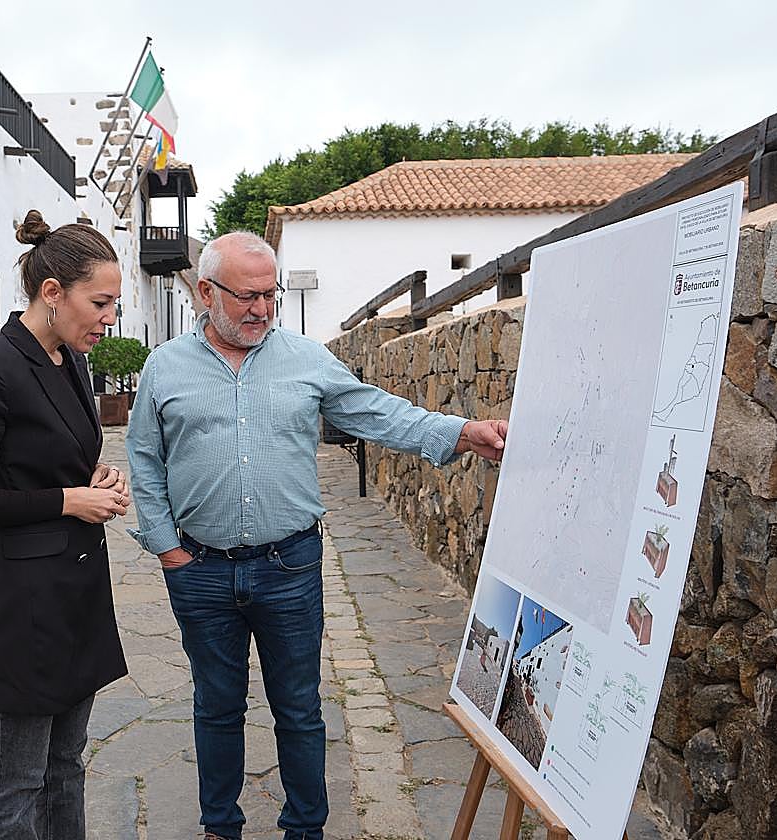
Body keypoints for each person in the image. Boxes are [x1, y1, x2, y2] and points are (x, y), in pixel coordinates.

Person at [126, 231, 508, 840]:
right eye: (247, 296)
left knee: (300, 709)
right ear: (206, 293)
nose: (262, 309)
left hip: (289, 568)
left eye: (270, 295)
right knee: (216, 706)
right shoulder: (164, 367)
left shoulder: (306, 359)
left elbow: (378, 412)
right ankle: (220, 826)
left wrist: (462, 432)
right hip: (199, 570)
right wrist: (166, 547)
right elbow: (144, 459)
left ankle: (305, 829)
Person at [0, 210, 130, 839]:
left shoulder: (71, 359)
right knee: (18, 783)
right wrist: (69, 501)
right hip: (23, 609)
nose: (110, 318)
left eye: (114, 304)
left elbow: (53, 457)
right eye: (100, 303)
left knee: (67, 767)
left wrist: (95, 475)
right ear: (53, 292)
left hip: (77, 597)